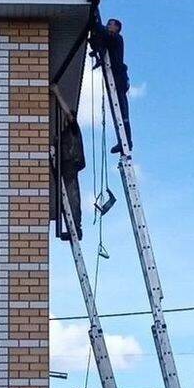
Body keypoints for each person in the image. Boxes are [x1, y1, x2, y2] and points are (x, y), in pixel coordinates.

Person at [90, 16, 132, 153]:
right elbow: (100, 38)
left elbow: (103, 33)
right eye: (107, 24)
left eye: (110, 24)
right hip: (115, 77)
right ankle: (122, 141)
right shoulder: (110, 40)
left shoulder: (116, 38)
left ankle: (127, 142)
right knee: (117, 111)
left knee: (122, 111)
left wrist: (95, 21)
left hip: (119, 78)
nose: (108, 26)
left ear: (117, 28)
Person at [58, 110, 85, 240]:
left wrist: (57, 93)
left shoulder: (73, 129)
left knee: (72, 196)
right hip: (66, 166)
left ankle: (76, 229)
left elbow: (69, 115)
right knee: (67, 199)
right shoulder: (65, 133)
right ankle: (72, 228)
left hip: (70, 164)